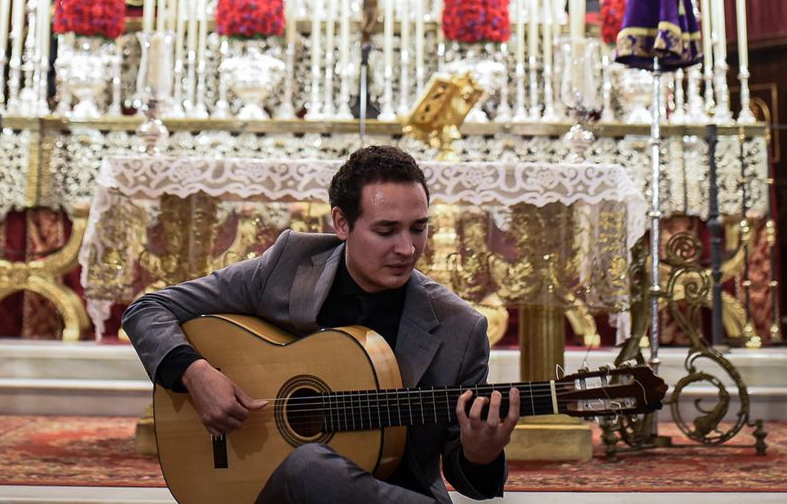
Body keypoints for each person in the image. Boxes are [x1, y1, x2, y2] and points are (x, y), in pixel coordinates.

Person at [122, 145, 518, 503]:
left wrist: (479, 454)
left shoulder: (460, 328)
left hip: (393, 495)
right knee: (307, 464)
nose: (407, 248)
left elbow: (472, 481)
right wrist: (196, 373)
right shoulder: (288, 264)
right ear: (341, 224)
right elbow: (148, 309)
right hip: (266, 490)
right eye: (386, 230)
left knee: (310, 465)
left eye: (418, 227)